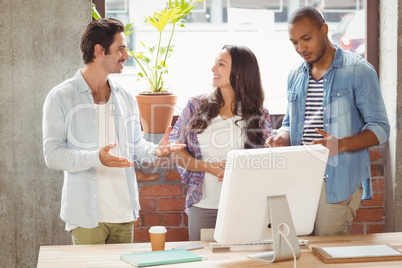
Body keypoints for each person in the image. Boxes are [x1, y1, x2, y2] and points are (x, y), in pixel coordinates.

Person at [42, 18, 185, 245]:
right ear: (100, 51)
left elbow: (135, 145)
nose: (126, 56)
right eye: (120, 49)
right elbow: (52, 154)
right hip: (87, 217)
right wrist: (96, 158)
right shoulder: (61, 96)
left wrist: (157, 150)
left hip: (123, 212)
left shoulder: (125, 97)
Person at [267, 6, 390, 236]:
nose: (300, 48)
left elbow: (380, 128)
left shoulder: (358, 70)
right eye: (294, 42)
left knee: (327, 254)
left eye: (306, 39)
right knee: (300, 253)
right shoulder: (295, 74)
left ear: (324, 30)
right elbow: (288, 122)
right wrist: (281, 138)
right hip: (299, 181)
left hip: (336, 184)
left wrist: (339, 144)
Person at [169, 45, 273, 241]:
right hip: (203, 204)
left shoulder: (259, 113)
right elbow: (177, 151)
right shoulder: (195, 106)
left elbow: (267, 161)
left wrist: (238, 169)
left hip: (244, 205)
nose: (213, 69)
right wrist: (208, 168)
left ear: (239, 73)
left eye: (221, 64)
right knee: (203, 260)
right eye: (214, 63)